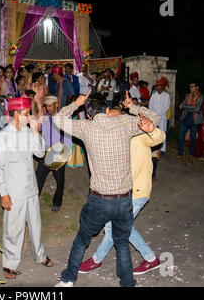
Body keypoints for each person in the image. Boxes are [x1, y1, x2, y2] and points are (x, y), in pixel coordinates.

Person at [53, 91, 160, 287]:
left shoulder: (87, 127)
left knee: (82, 240)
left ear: (88, 115)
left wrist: (76, 103)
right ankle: (127, 283)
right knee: (122, 243)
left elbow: (58, 119)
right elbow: (155, 118)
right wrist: (131, 106)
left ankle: (68, 279)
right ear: (108, 110)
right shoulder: (125, 123)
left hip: (100, 200)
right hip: (125, 199)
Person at [78, 104, 166, 276]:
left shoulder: (137, 134)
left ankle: (97, 260)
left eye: (115, 118)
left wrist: (151, 129)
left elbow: (158, 137)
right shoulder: (112, 137)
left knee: (115, 227)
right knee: (120, 227)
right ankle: (150, 259)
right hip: (120, 191)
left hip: (137, 190)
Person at [0, 97, 54, 280]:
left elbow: (40, 153)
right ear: (16, 114)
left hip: (31, 187)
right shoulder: (2, 137)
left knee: (36, 224)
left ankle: (40, 255)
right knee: (13, 228)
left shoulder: (28, 132)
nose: (30, 116)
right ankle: (9, 264)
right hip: (14, 190)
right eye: (27, 113)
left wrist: (36, 132)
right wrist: (3, 193)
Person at [36, 96, 71, 213]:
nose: (47, 108)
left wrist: (65, 154)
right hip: (46, 152)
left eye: (50, 106)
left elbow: (67, 138)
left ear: (56, 105)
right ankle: (33, 201)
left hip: (59, 152)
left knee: (60, 180)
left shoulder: (64, 119)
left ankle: (57, 202)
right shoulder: (45, 118)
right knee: (38, 178)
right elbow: (44, 135)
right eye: (46, 106)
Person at [177, 81, 204, 162]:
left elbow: (197, 109)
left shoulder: (201, 97)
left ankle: (191, 155)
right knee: (180, 136)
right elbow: (181, 106)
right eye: (190, 87)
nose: (191, 88)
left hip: (194, 119)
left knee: (193, 138)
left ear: (197, 87)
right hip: (185, 118)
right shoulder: (187, 95)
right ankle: (180, 153)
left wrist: (186, 107)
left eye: (192, 86)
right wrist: (190, 107)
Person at [148, 77, 171, 153]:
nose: (157, 87)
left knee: (162, 133)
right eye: (157, 85)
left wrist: (158, 115)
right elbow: (150, 106)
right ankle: (154, 149)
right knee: (153, 133)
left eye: (158, 85)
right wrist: (153, 115)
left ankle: (162, 149)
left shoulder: (166, 96)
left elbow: (166, 107)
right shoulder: (154, 95)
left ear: (163, 87)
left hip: (162, 118)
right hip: (153, 117)